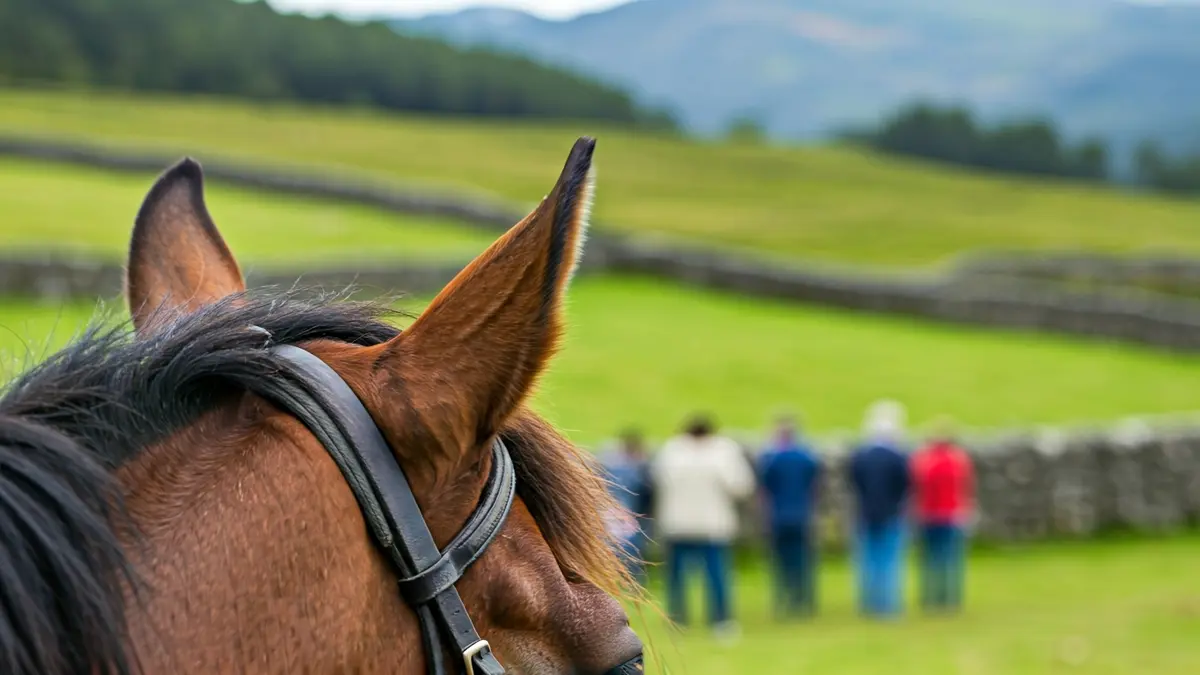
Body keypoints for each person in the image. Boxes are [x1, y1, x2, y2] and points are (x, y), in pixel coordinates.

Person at [651, 413, 755, 640]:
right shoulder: (723, 450)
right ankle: (720, 619)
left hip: (677, 524)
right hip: (712, 524)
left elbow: (657, 481)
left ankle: (677, 619)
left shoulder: (672, 450)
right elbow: (741, 486)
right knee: (716, 575)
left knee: (677, 577)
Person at [847, 400, 911, 619]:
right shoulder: (897, 457)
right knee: (889, 561)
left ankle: (868, 602)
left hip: (866, 513)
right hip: (891, 513)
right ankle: (888, 605)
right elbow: (904, 485)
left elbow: (855, 482)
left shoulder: (861, 455)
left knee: (867, 560)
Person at [757, 414, 823, 619]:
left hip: (779, 515)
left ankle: (782, 600)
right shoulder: (806, 457)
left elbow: (766, 485)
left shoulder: (772, 459)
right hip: (802, 514)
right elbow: (814, 483)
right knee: (803, 560)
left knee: (780, 562)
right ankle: (804, 601)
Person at [911, 417, 975, 614]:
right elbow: (966, 487)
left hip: (929, 515)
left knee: (930, 560)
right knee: (951, 560)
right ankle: (951, 599)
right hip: (952, 515)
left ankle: (930, 598)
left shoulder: (925, 461)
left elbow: (918, 485)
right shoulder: (958, 461)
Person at [598, 429, 654, 582]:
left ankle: (614, 578)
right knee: (633, 548)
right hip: (631, 513)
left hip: (612, 512)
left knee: (613, 547)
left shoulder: (609, 465)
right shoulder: (640, 469)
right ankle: (633, 580)